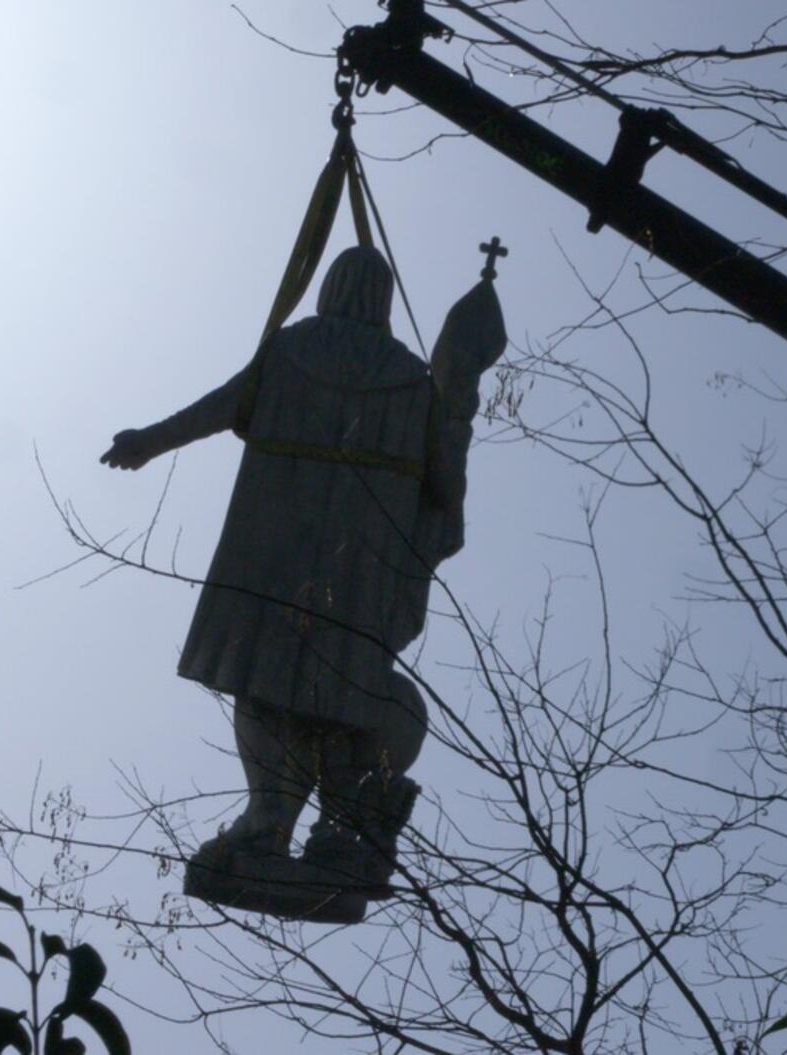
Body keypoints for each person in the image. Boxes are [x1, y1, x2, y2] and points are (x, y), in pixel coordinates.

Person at [103, 244, 504, 920]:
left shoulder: (292, 350)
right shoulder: (411, 381)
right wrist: (456, 402)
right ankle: (333, 834)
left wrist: (149, 440)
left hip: (274, 561)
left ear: (331, 289)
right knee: (340, 696)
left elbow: (219, 406)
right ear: (381, 299)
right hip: (362, 578)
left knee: (269, 689)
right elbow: (445, 483)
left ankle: (270, 825)